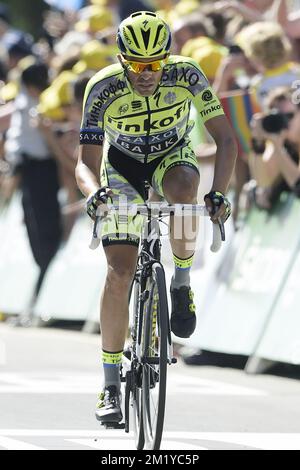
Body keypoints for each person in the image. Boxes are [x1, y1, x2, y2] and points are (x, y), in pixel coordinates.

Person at [76, 11, 237, 424]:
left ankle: (181, 283)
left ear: (167, 58)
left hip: (171, 159)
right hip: (122, 168)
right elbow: (85, 163)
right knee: (119, 272)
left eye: (155, 64)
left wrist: (218, 191)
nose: (147, 74)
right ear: (122, 58)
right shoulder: (102, 87)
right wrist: (94, 193)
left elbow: (225, 137)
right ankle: (110, 385)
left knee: (185, 189)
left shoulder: (187, 75)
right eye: (137, 65)